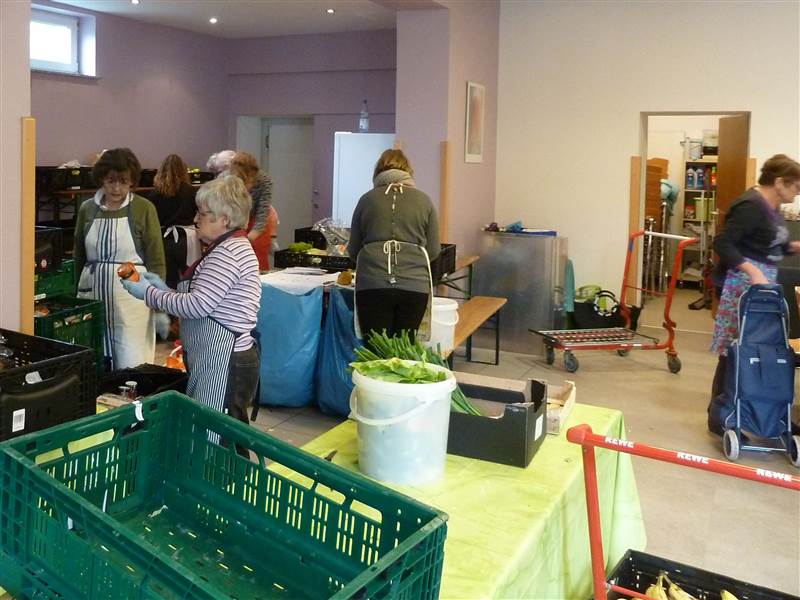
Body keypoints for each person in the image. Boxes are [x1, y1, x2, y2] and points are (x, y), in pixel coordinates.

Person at [121, 175, 262, 457]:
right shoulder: (226, 248)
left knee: (217, 437)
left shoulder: (228, 254)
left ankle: (224, 491)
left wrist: (147, 293)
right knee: (222, 431)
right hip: (218, 358)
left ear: (225, 219)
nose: (195, 219)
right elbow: (204, 298)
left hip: (225, 362)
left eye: (203, 213)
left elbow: (197, 306)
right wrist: (163, 288)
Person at [707, 154, 800, 435]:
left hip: (762, 284)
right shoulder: (750, 205)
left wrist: (794, 247)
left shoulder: (773, 208)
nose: (797, 193)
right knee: (735, 349)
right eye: (796, 187)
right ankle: (720, 415)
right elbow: (722, 243)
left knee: (755, 348)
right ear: (779, 182)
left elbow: (770, 244)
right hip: (744, 285)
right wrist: (751, 270)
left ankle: (753, 411)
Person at [73, 147, 166, 370]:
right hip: (92, 292)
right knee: (94, 352)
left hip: (132, 296)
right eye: (110, 181)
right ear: (101, 179)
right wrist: (74, 294)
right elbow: (79, 255)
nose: (116, 188)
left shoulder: (144, 209)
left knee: (130, 354)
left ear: (132, 181)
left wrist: (161, 303)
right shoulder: (87, 209)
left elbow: (156, 258)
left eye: (123, 182)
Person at [347, 149, 440, 344]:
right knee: (404, 350)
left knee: (376, 352)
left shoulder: (366, 200)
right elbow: (433, 251)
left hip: (372, 284)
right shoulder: (424, 201)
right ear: (408, 170)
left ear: (378, 171)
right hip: (414, 286)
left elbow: (353, 250)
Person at [148, 153, 200, 289]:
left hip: (165, 238)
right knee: (190, 277)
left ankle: (169, 306)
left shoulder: (155, 193)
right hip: (187, 239)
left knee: (169, 279)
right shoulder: (191, 191)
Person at [230, 151, 276, 271]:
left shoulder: (264, 181)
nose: (245, 186)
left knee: (257, 263)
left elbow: (262, 214)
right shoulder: (225, 179)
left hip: (256, 223)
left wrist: (247, 239)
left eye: (248, 182)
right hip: (233, 221)